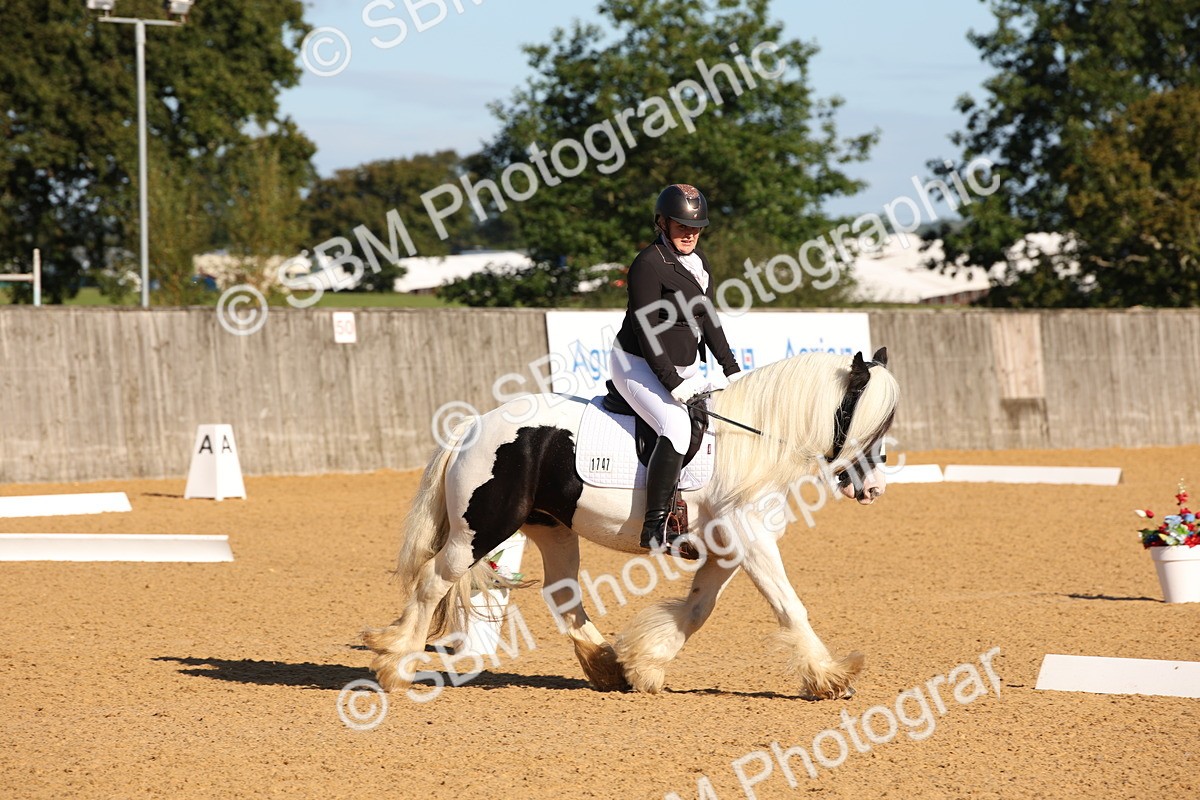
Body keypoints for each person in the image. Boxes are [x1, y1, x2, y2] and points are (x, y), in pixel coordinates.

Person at [610, 183, 741, 553]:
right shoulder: (649, 264)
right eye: (682, 226)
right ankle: (656, 528)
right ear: (662, 223)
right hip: (636, 364)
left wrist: (732, 369)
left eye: (696, 228)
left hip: (682, 365)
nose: (690, 234)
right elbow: (644, 327)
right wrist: (670, 382)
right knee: (676, 427)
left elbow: (709, 319)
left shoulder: (699, 265)